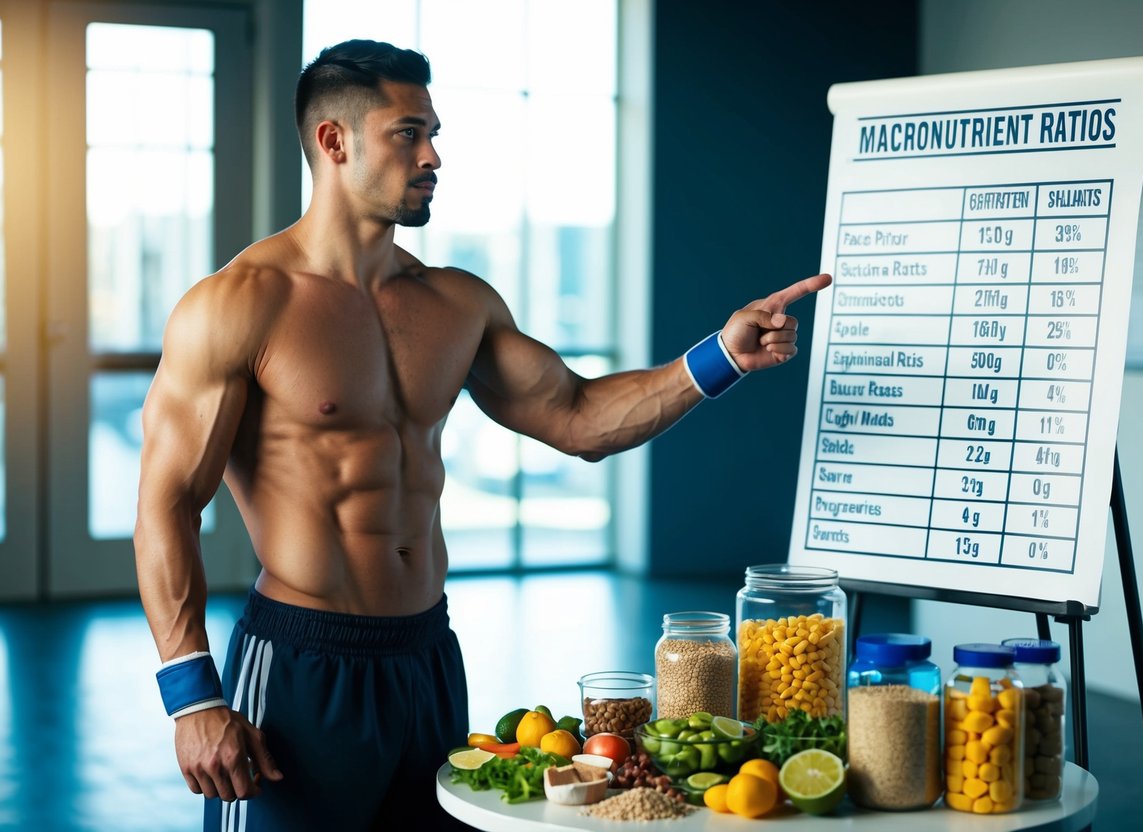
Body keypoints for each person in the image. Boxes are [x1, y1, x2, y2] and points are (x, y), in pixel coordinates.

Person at [134, 39, 832, 831]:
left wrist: (719, 358)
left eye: (434, 132)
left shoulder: (454, 303)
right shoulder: (239, 304)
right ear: (334, 141)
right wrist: (192, 696)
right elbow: (166, 503)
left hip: (427, 654)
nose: (433, 155)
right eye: (408, 133)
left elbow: (578, 418)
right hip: (301, 664)